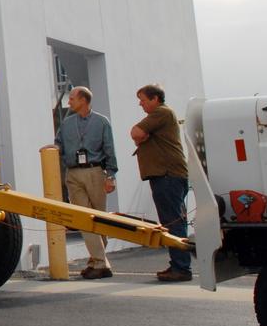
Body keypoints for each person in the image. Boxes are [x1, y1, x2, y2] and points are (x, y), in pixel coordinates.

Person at [52, 87, 117, 279]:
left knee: (99, 218)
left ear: (83, 100)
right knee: (83, 218)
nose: (69, 102)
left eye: (72, 98)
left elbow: (109, 149)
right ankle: (100, 262)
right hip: (73, 173)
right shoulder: (66, 123)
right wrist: (52, 148)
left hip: (95, 172)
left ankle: (95, 261)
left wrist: (111, 175)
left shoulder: (102, 122)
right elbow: (59, 143)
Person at [130, 84, 192, 282]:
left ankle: (181, 267)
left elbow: (136, 132)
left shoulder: (161, 113)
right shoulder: (163, 115)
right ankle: (178, 264)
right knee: (172, 220)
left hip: (167, 176)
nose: (140, 104)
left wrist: (142, 136)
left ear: (155, 99)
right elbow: (139, 135)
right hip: (168, 176)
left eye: (143, 99)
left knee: (172, 221)